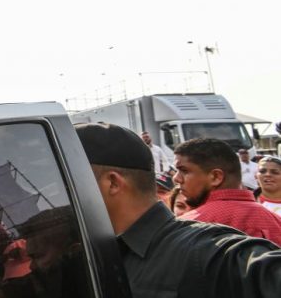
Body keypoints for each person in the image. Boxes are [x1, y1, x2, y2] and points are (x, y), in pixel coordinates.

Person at [75, 122, 281, 298]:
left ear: (112, 183)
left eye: (68, 182)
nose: (58, 196)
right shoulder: (90, 253)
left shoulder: (204, 252)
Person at [172, 138, 281, 245]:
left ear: (215, 177)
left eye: (184, 170)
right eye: (262, 171)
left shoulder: (185, 230)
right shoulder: (277, 222)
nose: (176, 178)